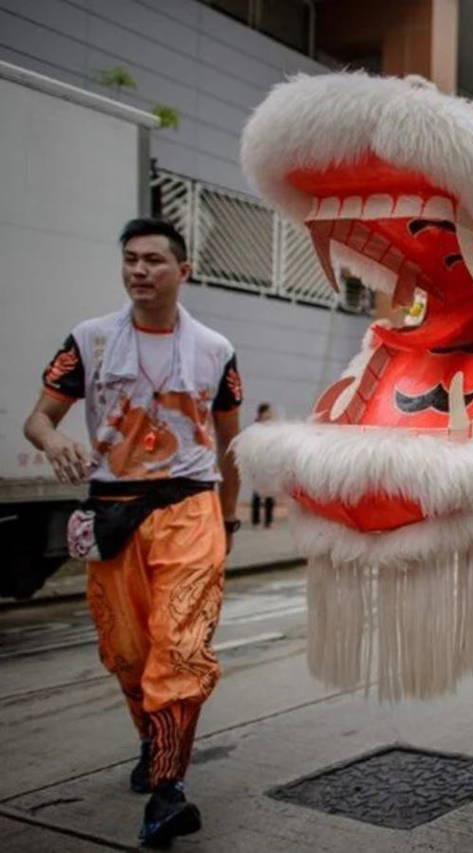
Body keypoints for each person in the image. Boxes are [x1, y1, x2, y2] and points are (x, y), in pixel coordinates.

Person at [23, 218, 242, 847]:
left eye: (152, 260)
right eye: (130, 260)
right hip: (112, 511)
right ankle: (155, 744)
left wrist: (226, 518)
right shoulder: (89, 341)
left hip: (189, 509)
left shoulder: (215, 349)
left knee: (180, 648)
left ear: (183, 270)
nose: (139, 271)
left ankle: (169, 792)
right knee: (127, 653)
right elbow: (38, 419)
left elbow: (230, 445)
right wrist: (55, 438)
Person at [250, 403, 275, 528]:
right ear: (261, 413)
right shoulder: (256, 428)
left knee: (270, 493)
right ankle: (255, 521)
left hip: (269, 464)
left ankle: (268, 521)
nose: (270, 414)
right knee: (257, 494)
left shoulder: (272, 429)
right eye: (268, 412)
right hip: (258, 464)